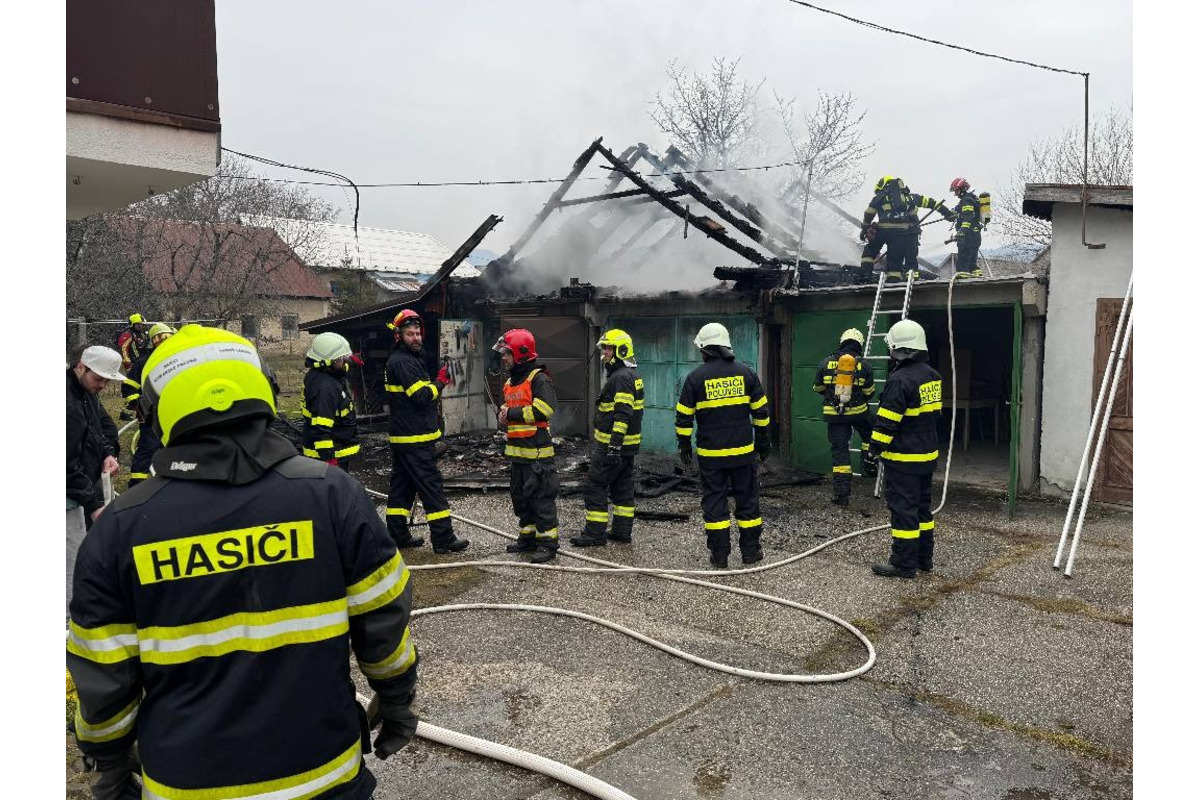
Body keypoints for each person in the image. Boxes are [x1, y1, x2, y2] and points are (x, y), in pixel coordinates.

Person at [67, 325, 419, 800]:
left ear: (155, 411)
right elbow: (384, 624)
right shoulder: (333, 496)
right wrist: (396, 700)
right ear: (264, 388)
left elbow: (103, 675)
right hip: (324, 773)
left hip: (186, 784)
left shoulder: (119, 531)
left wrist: (108, 764)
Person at [674, 323, 771, 568]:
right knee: (747, 501)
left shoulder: (695, 378)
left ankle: (719, 556)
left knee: (715, 503)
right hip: (742, 454)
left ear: (705, 349)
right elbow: (761, 414)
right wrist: (763, 444)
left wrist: (684, 446)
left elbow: (684, 418)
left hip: (711, 456)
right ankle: (750, 552)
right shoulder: (746, 374)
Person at [384, 309, 469, 554]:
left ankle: (397, 534)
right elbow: (422, 396)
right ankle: (444, 539)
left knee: (402, 488)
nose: (416, 338)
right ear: (399, 336)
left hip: (406, 438)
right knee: (431, 488)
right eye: (410, 334)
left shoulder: (407, 359)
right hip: (415, 440)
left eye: (418, 333)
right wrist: (440, 383)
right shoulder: (402, 362)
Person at [868, 319, 943, 579]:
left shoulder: (899, 380)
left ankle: (903, 563)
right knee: (923, 509)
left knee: (903, 511)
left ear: (899, 347)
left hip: (903, 458)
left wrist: (873, 450)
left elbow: (887, 422)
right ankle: (924, 559)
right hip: (927, 455)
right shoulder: (933, 376)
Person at [571, 329, 644, 548]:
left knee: (595, 485)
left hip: (613, 446)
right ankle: (622, 531)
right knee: (622, 487)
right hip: (628, 447)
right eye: (604, 348)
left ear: (621, 350)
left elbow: (622, 414)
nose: (604, 352)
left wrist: (613, 445)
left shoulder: (621, 378)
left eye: (608, 348)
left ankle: (595, 534)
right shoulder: (632, 375)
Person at [495, 328, 560, 564]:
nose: (503, 358)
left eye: (507, 353)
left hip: (538, 456)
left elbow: (545, 409)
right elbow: (509, 413)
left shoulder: (539, 378)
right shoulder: (510, 382)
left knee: (541, 501)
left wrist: (511, 413)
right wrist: (503, 416)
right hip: (518, 457)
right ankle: (527, 538)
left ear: (521, 354)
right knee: (521, 499)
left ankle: (548, 544)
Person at [66, 344, 123, 615]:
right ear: (80, 367)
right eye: (98, 378)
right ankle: (67, 619)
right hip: (68, 495)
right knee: (71, 557)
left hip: (81, 490)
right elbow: (65, 463)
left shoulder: (86, 393)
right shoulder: (66, 405)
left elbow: (103, 427)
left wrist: (108, 453)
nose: (102, 385)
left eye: (106, 380)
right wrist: (93, 505)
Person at [812, 328, 878, 506]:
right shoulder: (864, 365)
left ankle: (842, 495)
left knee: (840, 453)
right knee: (872, 431)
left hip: (835, 416)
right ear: (859, 344)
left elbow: (817, 388)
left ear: (842, 341)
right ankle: (868, 462)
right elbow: (869, 392)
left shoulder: (825, 363)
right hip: (858, 412)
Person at [859, 176, 954, 281]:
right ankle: (893, 283)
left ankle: (864, 275)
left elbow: (869, 212)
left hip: (882, 231)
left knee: (870, 250)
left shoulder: (880, 197)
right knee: (895, 261)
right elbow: (930, 204)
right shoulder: (909, 197)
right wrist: (947, 213)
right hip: (901, 234)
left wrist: (864, 229)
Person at [123, 323, 176, 487]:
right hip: (150, 414)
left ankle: (169, 482)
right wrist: (138, 403)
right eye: (160, 339)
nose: (163, 342)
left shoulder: (178, 359)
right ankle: (137, 484)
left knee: (173, 448)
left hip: (173, 414)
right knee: (148, 448)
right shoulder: (144, 362)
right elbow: (129, 386)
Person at [302, 331, 362, 470]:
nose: (343, 362)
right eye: (341, 359)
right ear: (328, 361)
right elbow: (320, 428)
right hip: (329, 457)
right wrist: (329, 459)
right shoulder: (324, 388)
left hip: (334, 451)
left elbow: (338, 368)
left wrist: (352, 361)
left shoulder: (323, 373)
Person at [948, 177, 984, 278]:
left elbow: (968, 218)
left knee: (962, 265)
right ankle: (977, 280)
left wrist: (961, 232)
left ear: (963, 189)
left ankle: (963, 288)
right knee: (972, 264)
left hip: (968, 237)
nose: (956, 194)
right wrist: (953, 212)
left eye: (957, 191)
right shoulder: (972, 199)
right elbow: (963, 212)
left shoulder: (966, 200)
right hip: (975, 236)